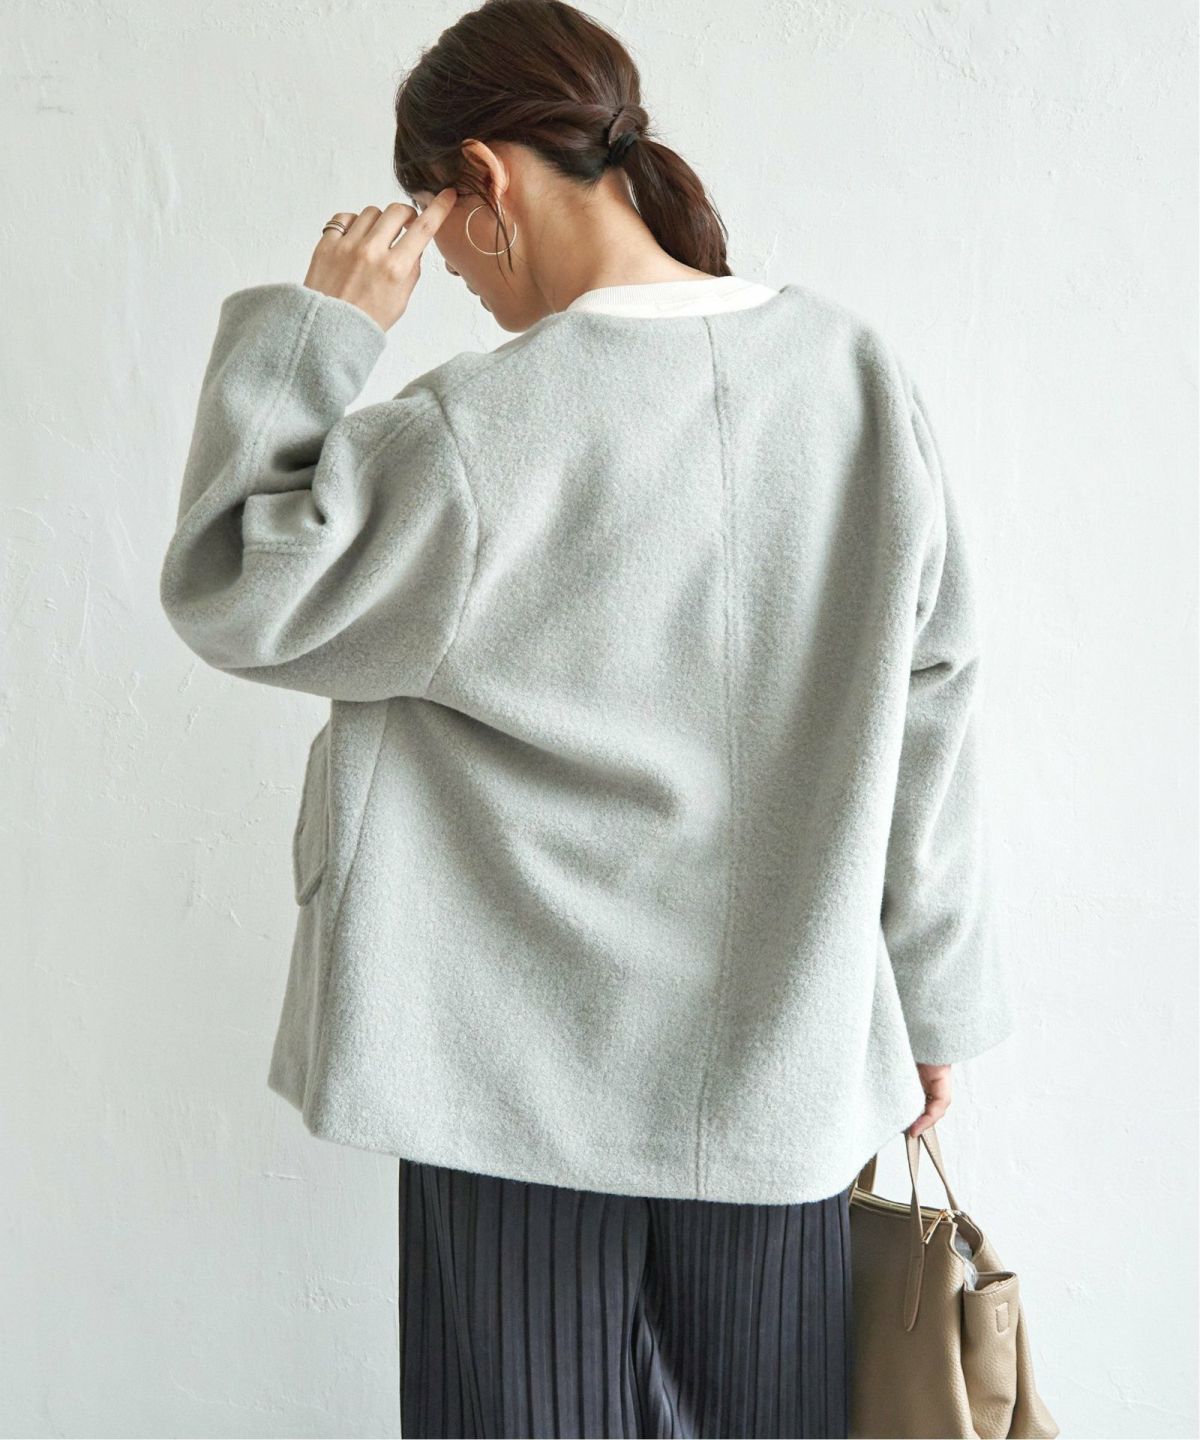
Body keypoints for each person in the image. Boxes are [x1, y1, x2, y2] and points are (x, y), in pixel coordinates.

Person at [158, 1, 1017, 1435]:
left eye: (439, 229)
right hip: (784, 1072)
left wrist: (322, 329)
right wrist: (933, 1001)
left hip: (509, 1083)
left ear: (482, 182)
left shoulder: (474, 430)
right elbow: (933, 699)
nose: (451, 274)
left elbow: (234, 585)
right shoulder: (857, 379)